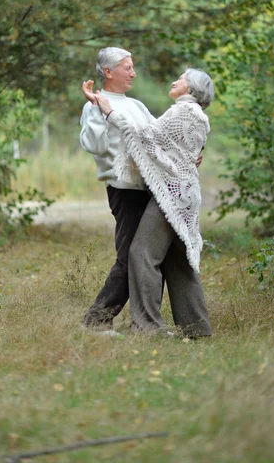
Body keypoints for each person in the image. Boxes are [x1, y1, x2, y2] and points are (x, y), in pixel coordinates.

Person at [90, 69, 213, 337]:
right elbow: (176, 152)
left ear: (191, 89)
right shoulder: (196, 115)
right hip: (183, 194)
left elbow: (147, 137)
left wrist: (110, 113)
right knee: (178, 260)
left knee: (142, 254)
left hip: (173, 196)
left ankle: (147, 326)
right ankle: (197, 328)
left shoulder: (183, 113)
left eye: (180, 79)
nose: (174, 81)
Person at [79, 47, 155, 335]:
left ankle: (146, 322)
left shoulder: (136, 105)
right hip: (124, 190)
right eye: (127, 67)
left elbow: (155, 137)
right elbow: (95, 147)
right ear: (108, 72)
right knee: (130, 257)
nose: (133, 73)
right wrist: (98, 108)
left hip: (149, 188)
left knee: (146, 257)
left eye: (133, 67)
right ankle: (96, 320)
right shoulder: (94, 105)